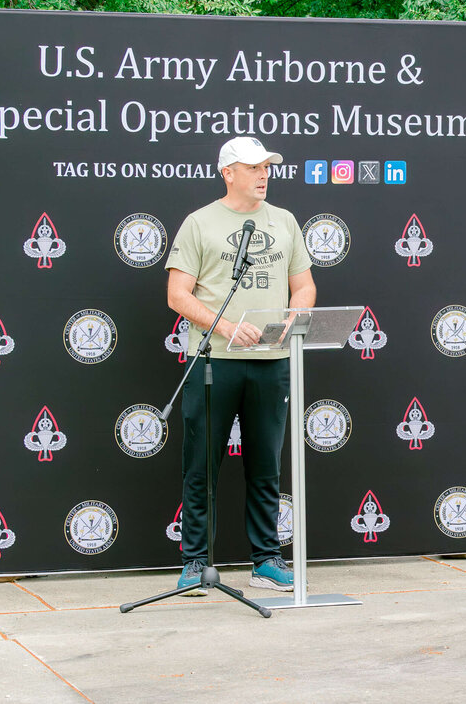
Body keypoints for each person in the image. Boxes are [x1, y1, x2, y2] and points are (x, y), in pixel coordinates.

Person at [166, 136, 316, 594]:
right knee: (201, 466)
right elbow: (178, 295)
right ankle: (195, 563)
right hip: (214, 362)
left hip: (271, 362)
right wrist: (227, 326)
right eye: (253, 168)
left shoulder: (286, 221)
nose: (264, 175)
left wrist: (295, 314)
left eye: (267, 167)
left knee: (266, 464)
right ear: (228, 173)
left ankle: (266, 559)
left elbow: (305, 286)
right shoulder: (199, 223)